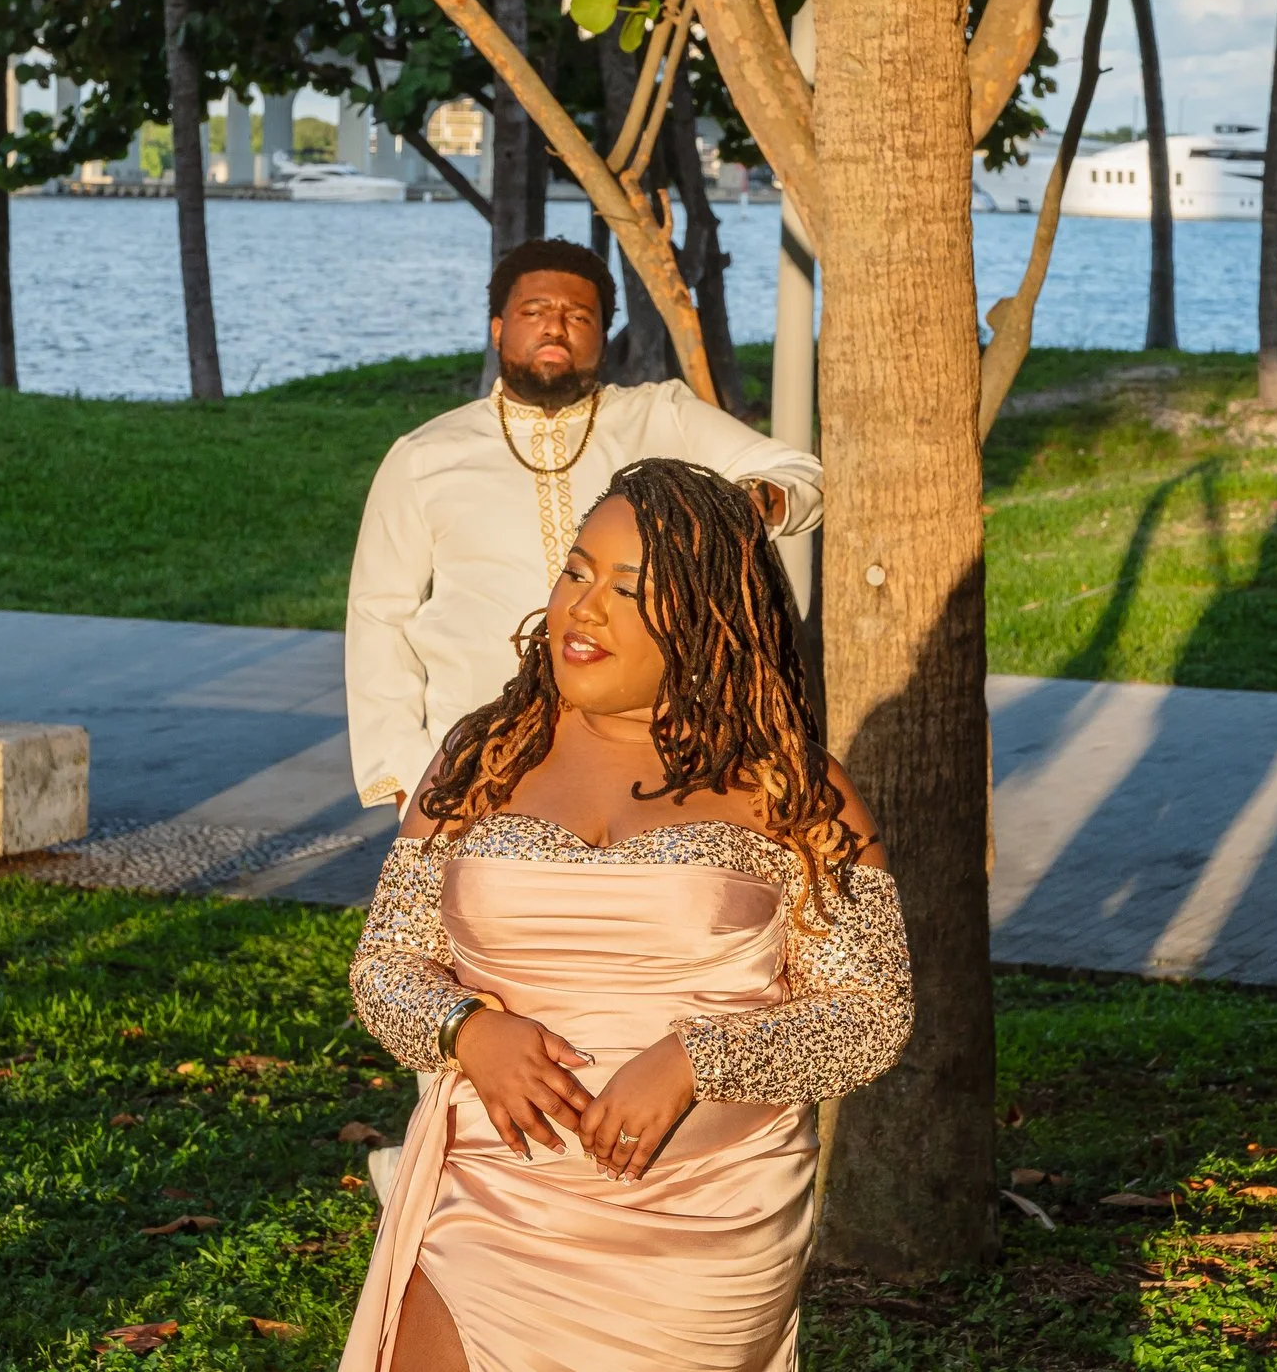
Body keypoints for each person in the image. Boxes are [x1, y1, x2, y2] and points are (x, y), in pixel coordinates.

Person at [341, 458, 911, 1372]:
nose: (583, 607)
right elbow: (385, 964)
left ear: (702, 618)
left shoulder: (793, 788)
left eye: (626, 588)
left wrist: (698, 1058)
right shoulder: (483, 754)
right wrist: (466, 1029)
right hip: (490, 1195)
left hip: (700, 1224)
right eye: (575, 571)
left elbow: (872, 1011)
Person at [345, 238, 822, 815]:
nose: (556, 327)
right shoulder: (424, 456)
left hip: (656, 757)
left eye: (578, 316)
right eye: (535, 312)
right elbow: (379, 614)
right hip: (478, 759)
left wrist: (744, 505)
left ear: (602, 334)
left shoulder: (660, 415)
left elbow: (800, 473)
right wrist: (404, 776)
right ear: (498, 329)